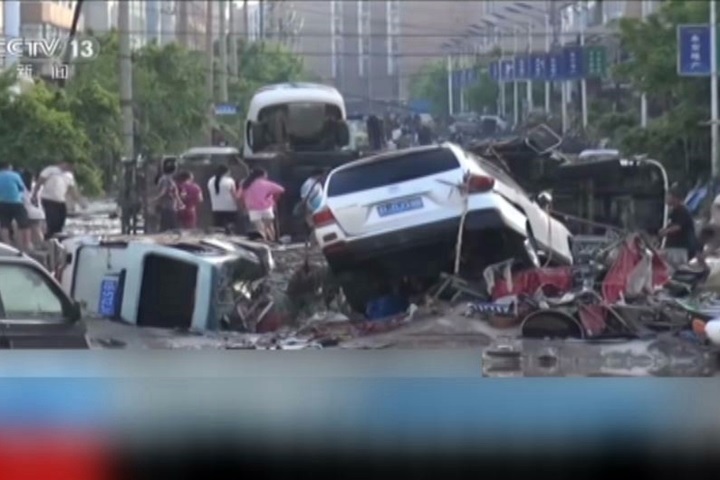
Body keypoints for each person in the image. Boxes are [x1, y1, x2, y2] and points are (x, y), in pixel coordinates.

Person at [31, 161, 85, 239]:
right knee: (52, 221)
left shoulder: (69, 175)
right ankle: (49, 239)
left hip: (60, 201)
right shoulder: (50, 170)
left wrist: (80, 202)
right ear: (65, 163)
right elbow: (39, 182)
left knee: (61, 221)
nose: (71, 169)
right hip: (48, 199)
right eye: (71, 166)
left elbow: (72, 190)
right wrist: (34, 195)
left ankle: (57, 240)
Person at [236, 168, 284, 241]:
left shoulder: (245, 184)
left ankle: (264, 242)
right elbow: (281, 189)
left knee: (259, 229)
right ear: (262, 175)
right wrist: (270, 196)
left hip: (252, 209)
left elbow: (238, 196)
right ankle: (273, 242)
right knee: (269, 226)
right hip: (266, 207)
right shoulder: (266, 183)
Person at [659, 187, 699, 260]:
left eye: (668, 195)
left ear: (675, 197)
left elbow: (678, 227)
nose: (666, 198)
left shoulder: (682, 211)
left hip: (680, 248)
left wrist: (665, 231)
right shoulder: (674, 212)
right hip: (672, 247)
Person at [0, 162, 30, 250]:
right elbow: (21, 187)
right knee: (23, 224)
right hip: (16, 201)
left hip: (2, 202)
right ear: (9, 167)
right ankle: (24, 244)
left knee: (4, 224)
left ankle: (7, 245)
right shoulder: (15, 175)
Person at [151, 159, 183, 232]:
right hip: (167, 205)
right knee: (169, 225)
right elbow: (164, 192)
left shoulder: (169, 179)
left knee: (169, 224)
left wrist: (179, 202)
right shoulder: (165, 179)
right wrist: (155, 199)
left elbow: (174, 193)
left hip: (171, 205)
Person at [207, 165, 239, 232]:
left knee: (218, 227)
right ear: (226, 172)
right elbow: (234, 194)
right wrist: (238, 204)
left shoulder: (210, 181)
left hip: (216, 207)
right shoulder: (230, 181)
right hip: (230, 207)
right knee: (230, 226)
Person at [20, 169, 45, 249]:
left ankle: (29, 247)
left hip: (27, 211)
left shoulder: (22, 187)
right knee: (37, 230)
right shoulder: (38, 186)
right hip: (38, 211)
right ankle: (41, 245)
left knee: (27, 231)